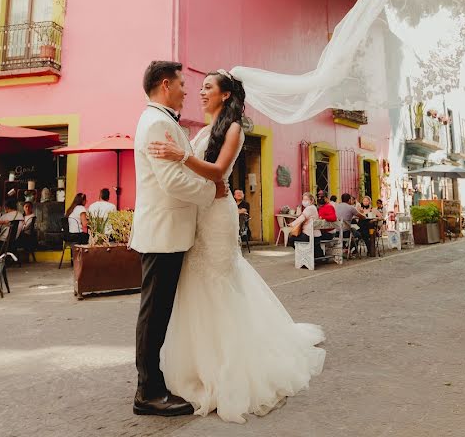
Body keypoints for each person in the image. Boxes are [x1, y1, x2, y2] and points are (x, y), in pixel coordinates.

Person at [149, 68, 325, 423]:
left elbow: (218, 170)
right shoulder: (200, 131)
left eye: (207, 87)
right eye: (198, 87)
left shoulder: (233, 129)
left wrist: (178, 156)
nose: (200, 92)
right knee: (196, 284)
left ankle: (230, 367)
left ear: (225, 95)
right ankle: (198, 364)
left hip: (218, 216)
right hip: (201, 212)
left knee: (219, 281)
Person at [130, 61, 227, 418]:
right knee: (153, 313)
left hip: (169, 231)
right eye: (184, 84)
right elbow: (172, 181)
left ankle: (154, 383)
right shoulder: (156, 122)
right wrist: (211, 190)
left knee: (158, 311)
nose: (189, 90)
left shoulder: (162, 119)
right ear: (166, 85)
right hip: (162, 232)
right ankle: (148, 392)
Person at [288, 192, 324, 258]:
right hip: (316, 235)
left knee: (291, 239)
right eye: (303, 199)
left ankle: (303, 255)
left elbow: (302, 217)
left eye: (306, 200)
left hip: (309, 235)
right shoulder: (313, 207)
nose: (304, 201)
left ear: (311, 200)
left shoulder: (309, 208)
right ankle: (309, 255)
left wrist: (292, 224)